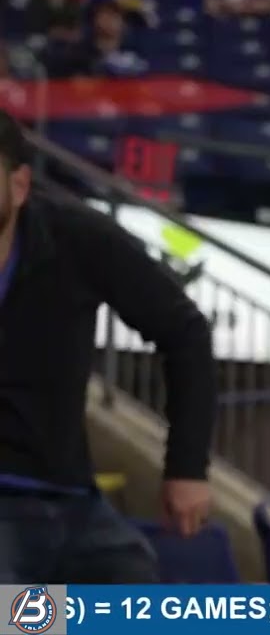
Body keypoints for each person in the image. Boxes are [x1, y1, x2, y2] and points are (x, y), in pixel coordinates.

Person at [0, 111, 216, 583]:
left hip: (73, 502)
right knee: (19, 618)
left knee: (138, 601)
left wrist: (186, 467)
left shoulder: (74, 237)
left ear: (18, 186)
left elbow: (185, 331)